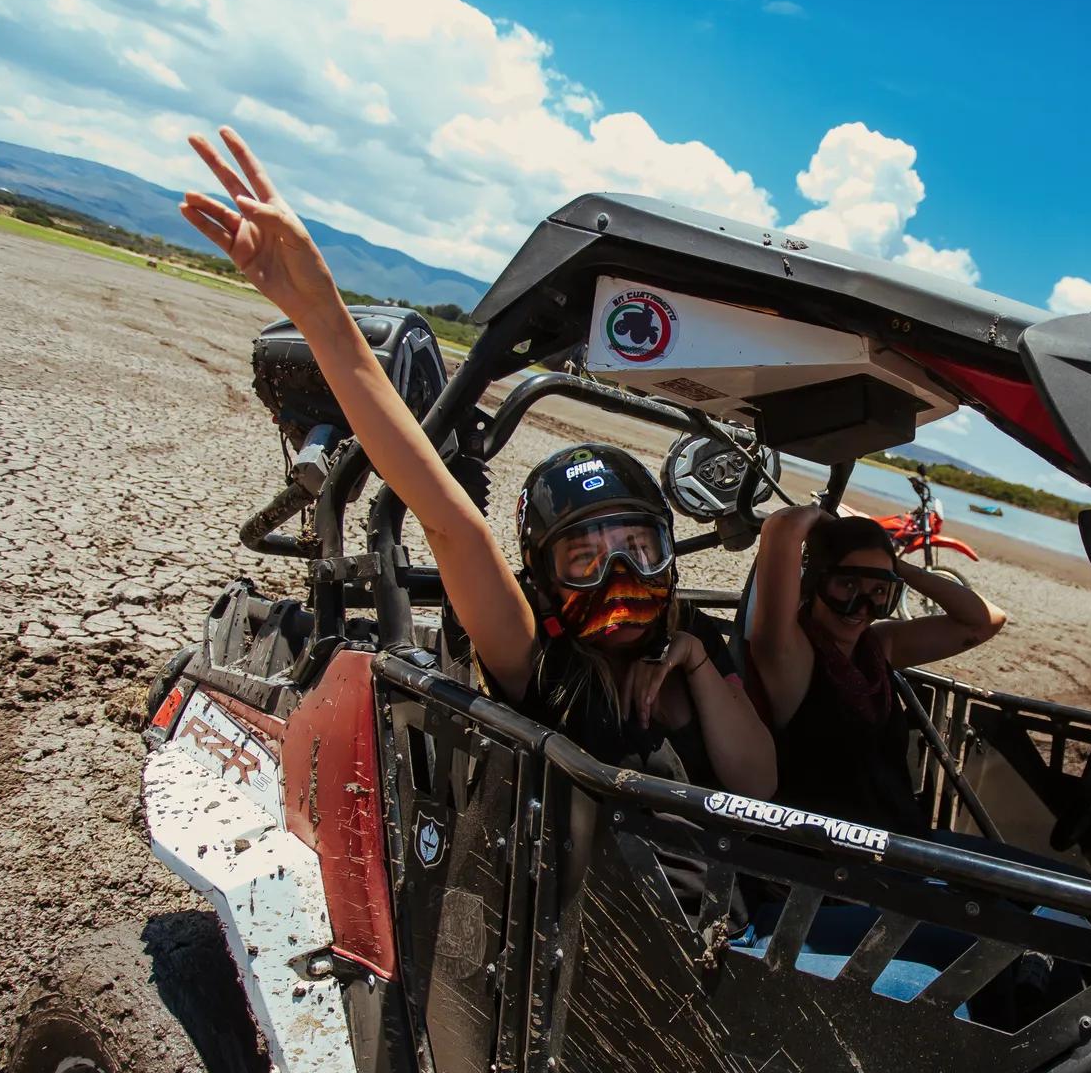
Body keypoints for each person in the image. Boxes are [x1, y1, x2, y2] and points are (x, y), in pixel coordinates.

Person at [178, 127, 774, 801]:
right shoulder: (547, 665)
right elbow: (448, 523)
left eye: (638, 547)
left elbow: (761, 783)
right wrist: (321, 312)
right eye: (585, 558)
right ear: (544, 580)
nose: (619, 574)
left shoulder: (690, 640)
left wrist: (696, 660)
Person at [748, 505, 1006, 833]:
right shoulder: (788, 652)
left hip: (908, 842)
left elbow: (984, 622)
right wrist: (829, 523)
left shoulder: (876, 646)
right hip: (841, 862)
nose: (861, 607)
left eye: (879, 592)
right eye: (848, 585)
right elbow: (784, 525)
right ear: (818, 581)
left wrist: (891, 564)